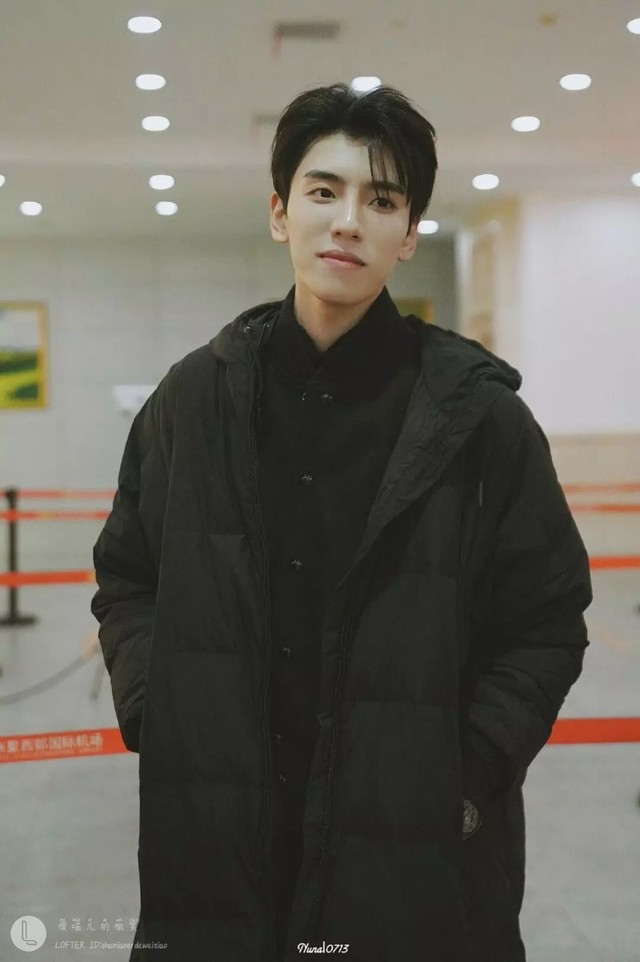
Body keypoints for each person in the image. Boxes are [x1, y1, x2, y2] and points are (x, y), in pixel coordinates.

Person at [91, 82, 593, 962]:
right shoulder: (194, 399)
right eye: (324, 191)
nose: (349, 222)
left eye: (383, 200)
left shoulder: (479, 419)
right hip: (220, 838)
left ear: (410, 233)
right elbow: (129, 574)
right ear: (281, 213)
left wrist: (466, 772)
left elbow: (546, 619)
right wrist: (155, 708)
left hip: (410, 856)